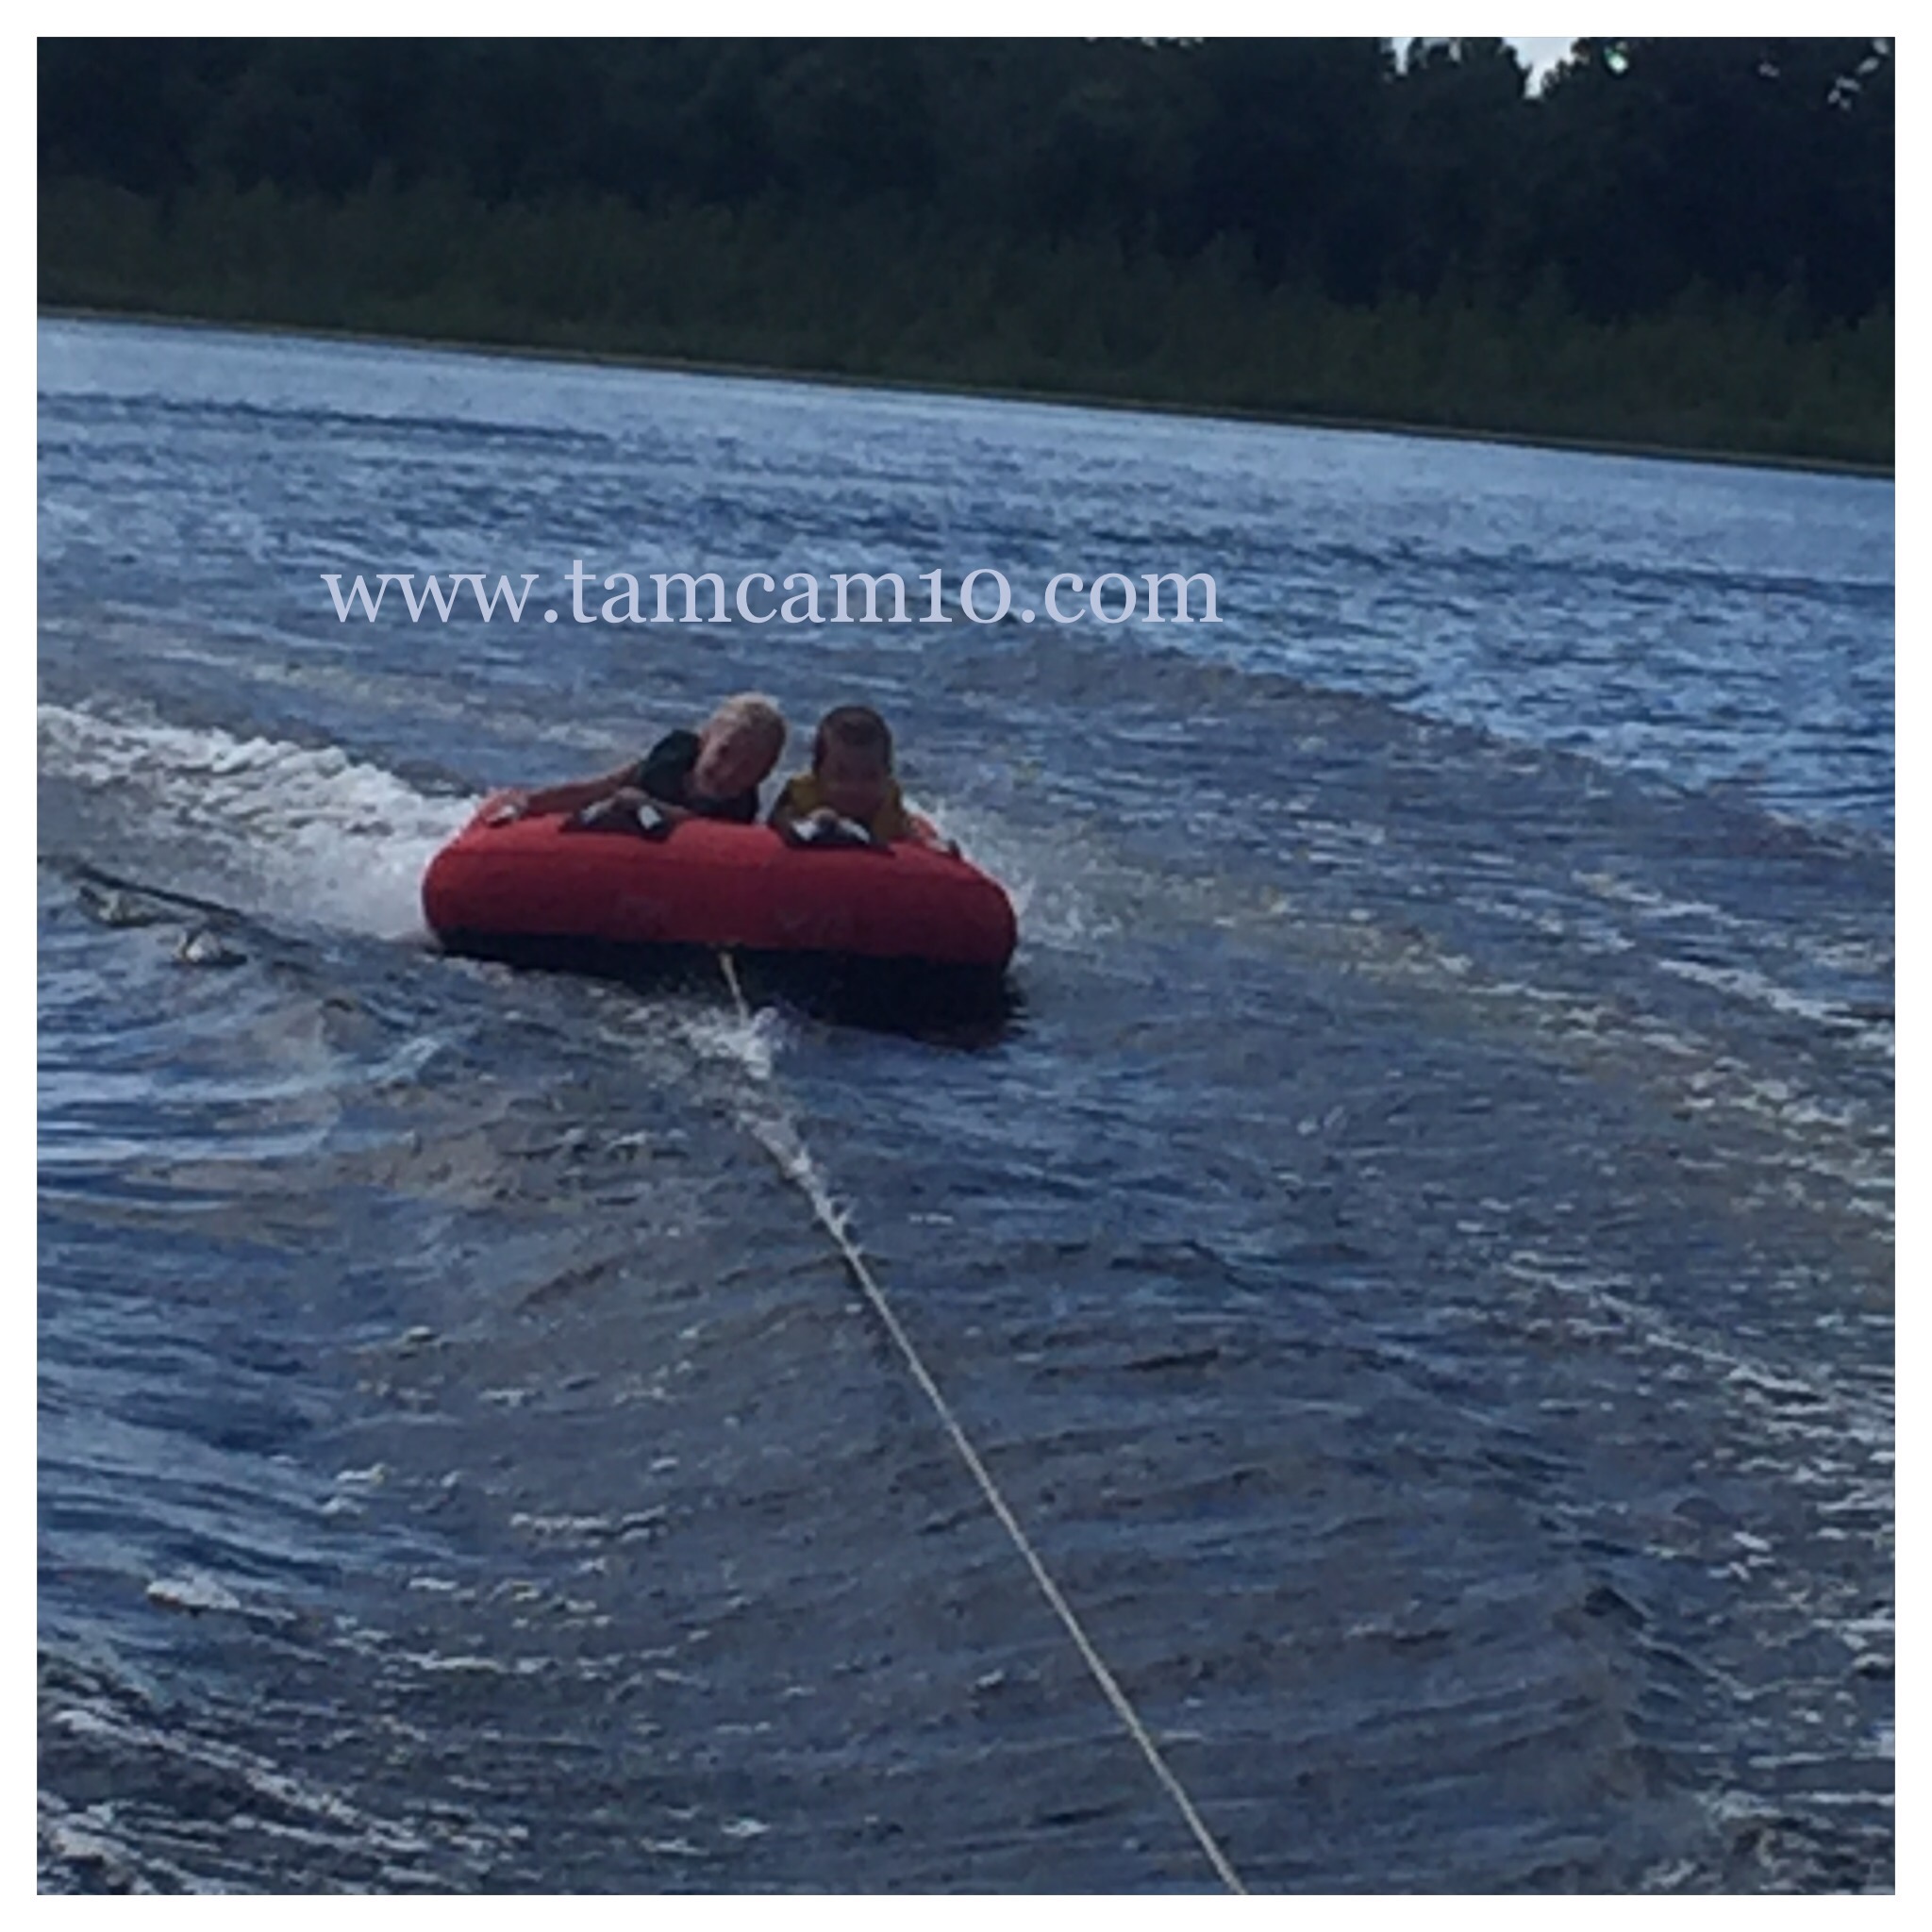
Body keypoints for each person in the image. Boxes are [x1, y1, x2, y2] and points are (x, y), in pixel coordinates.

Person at [488, 693, 786, 826]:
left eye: (747, 767)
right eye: (723, 753)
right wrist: (530, 803)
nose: (729, 772)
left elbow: (708, 833)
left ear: (763, 775)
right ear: (704, 740)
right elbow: (602, 786)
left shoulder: (738, 806)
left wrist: (650, 807)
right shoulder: (673, 759)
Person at [768, 704, 948, 848]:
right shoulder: (799, 796)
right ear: (817, 773)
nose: (855, 788)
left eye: (870, 776)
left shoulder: (891, 809)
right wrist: (809, 823)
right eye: (841, 775)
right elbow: (777, 827)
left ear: (887, 777)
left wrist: (930, 844)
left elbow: (917, 836)